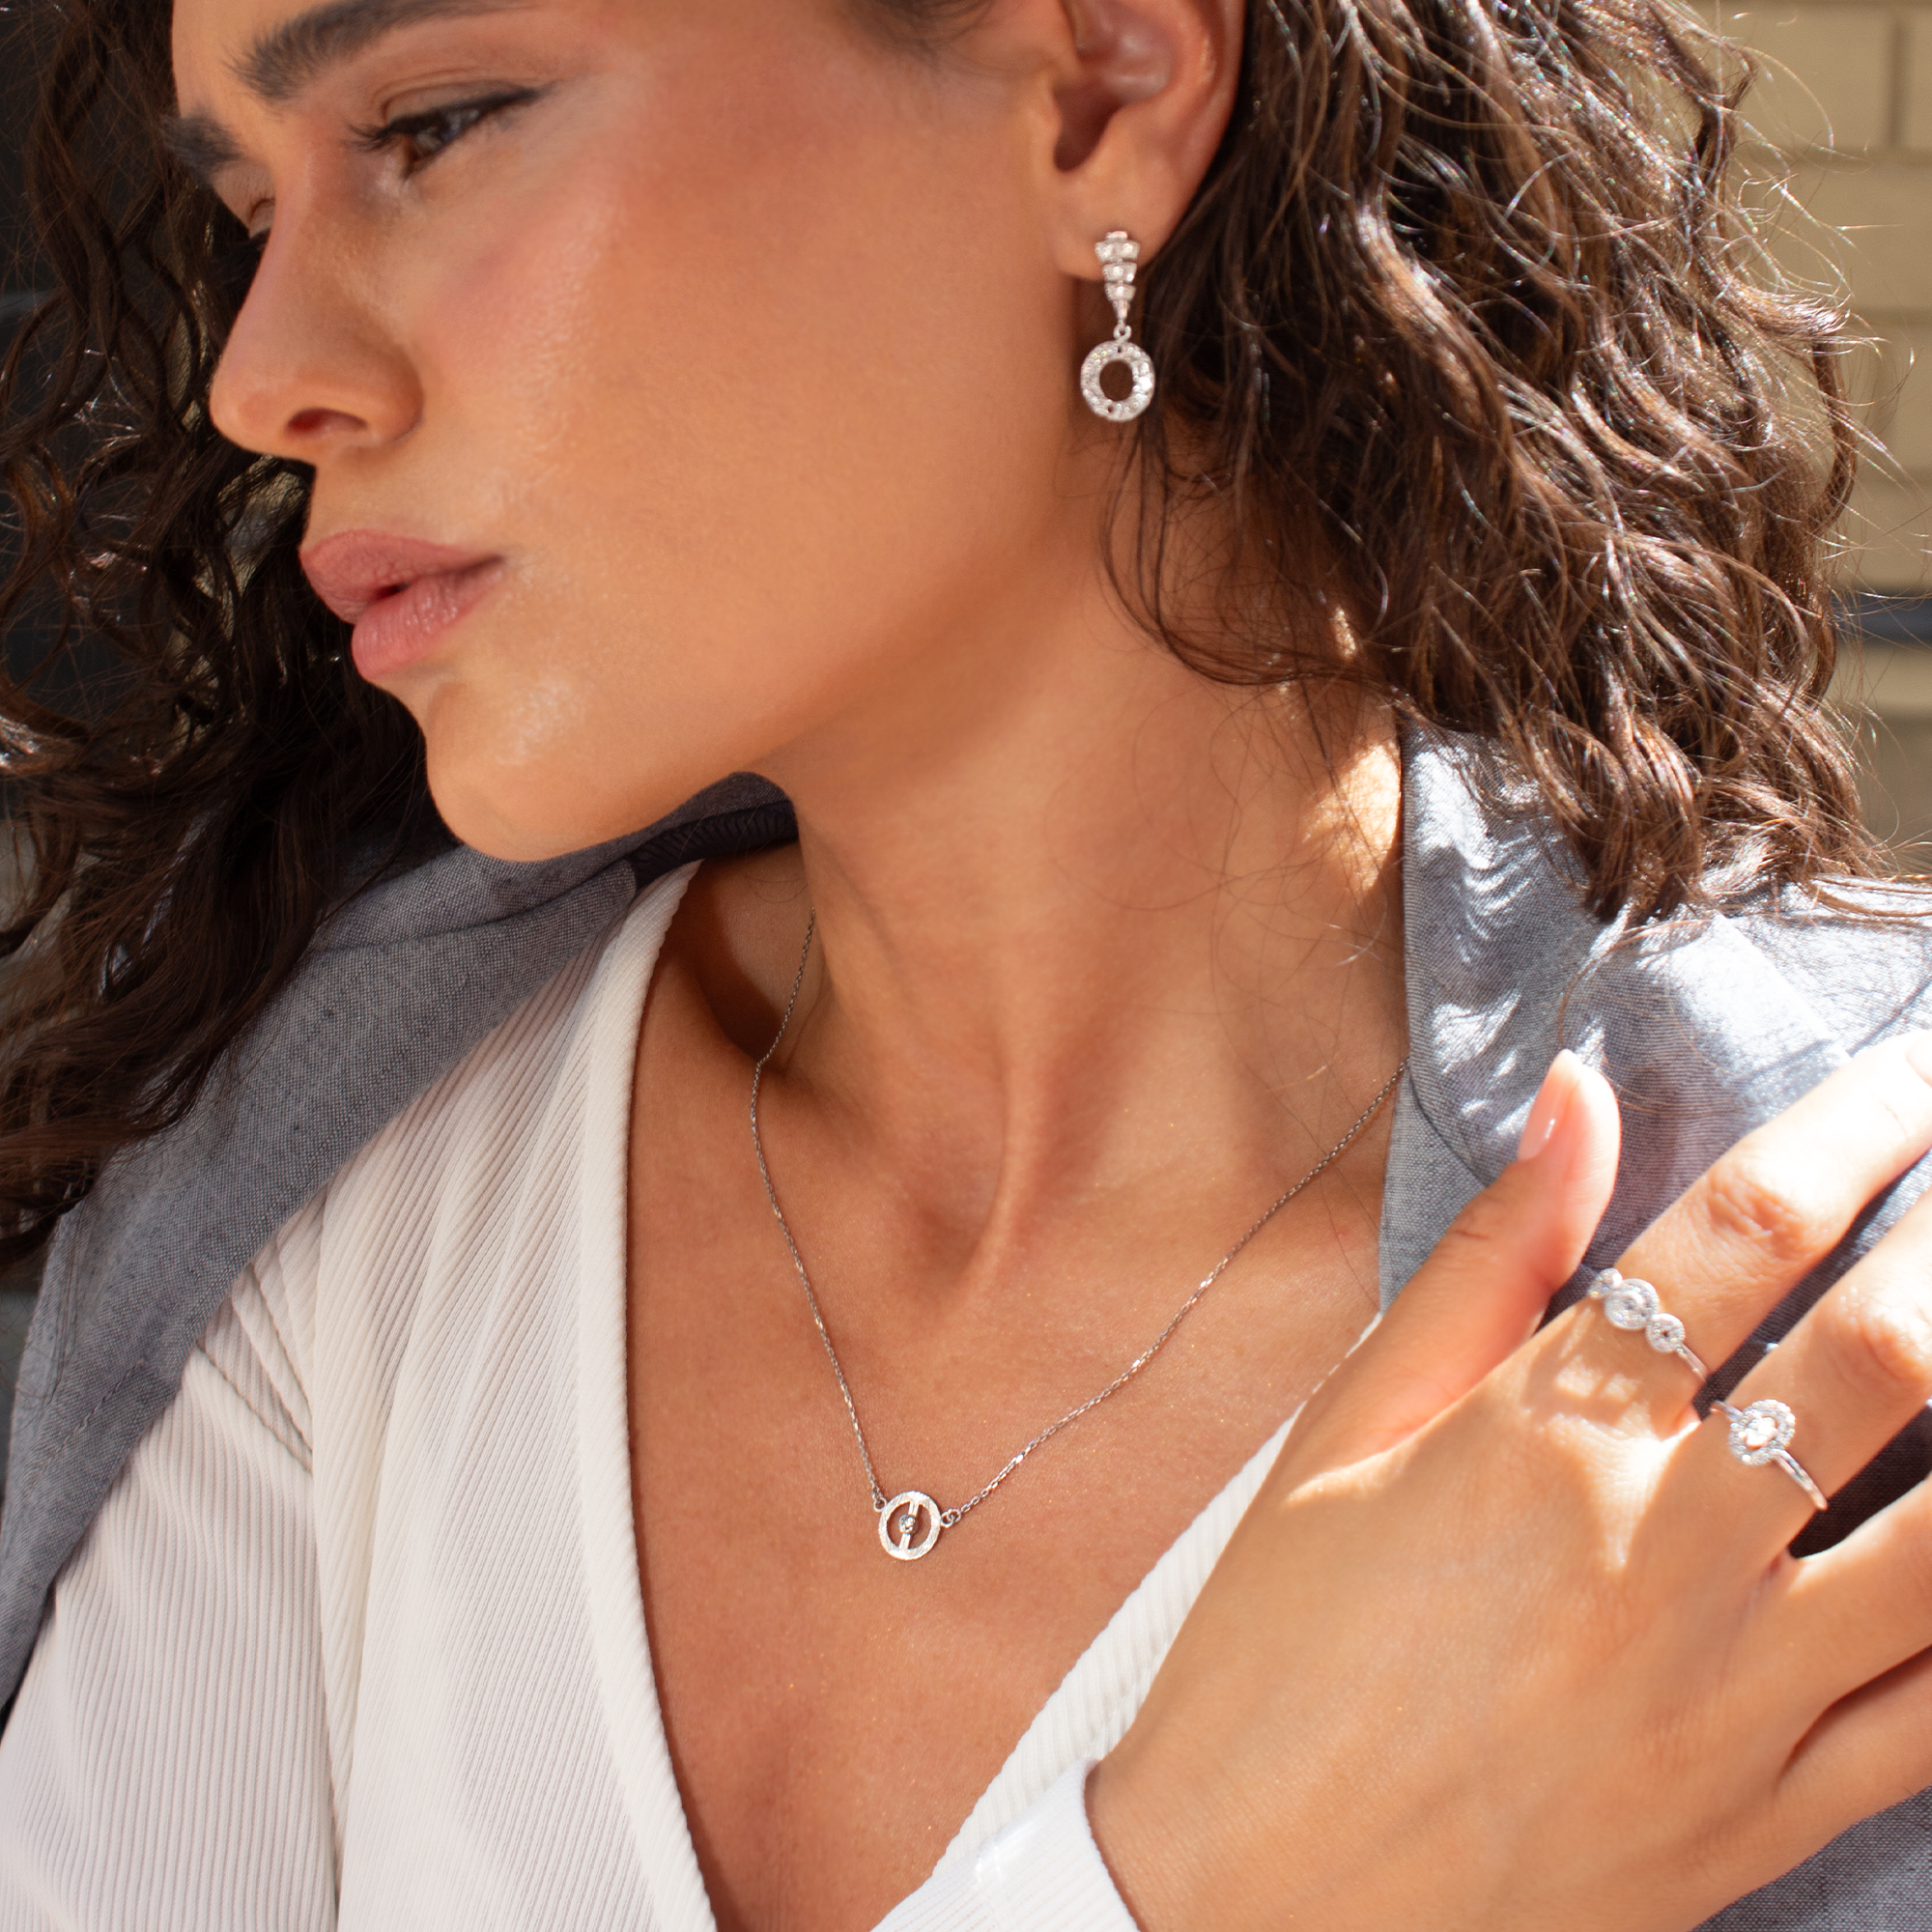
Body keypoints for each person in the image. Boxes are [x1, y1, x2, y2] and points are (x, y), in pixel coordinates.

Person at [0, 0, 1930, 1924]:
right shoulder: (333, 1199)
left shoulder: (1853, 1296)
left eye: (435, 124)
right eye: (256, 212)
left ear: (1099, 84)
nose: (261, 381)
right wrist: (1196, 1889)